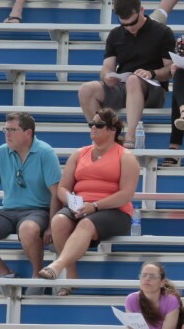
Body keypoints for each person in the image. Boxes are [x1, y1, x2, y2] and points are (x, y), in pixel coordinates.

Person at [44, 108, 142, 289]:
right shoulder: (79, 153)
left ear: (113, 130)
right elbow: (63, 187)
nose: (93, 128)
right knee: (58, 221)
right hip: (80, 206)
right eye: (92, 124)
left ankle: (58, 265)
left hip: (114, 210)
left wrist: (95, 206)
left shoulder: (126, 157)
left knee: (86, 224)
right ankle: (72, 275)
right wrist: (70, 201)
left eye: (99, 125)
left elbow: (125, 195)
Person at [0, 112, 62, 279]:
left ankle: (37, 276)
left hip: (38, 210)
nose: (7, 134)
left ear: (28, 133)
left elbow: (56, 193)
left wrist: (52, 226)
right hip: (8, 211)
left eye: (12, 130)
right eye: (5, 129)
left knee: (28, 230)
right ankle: (6, 274)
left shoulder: (45, 152)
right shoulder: (1, 153)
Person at [79, 0, 177, 150]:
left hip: (153, 88)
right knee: (86, 90)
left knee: (133, 80)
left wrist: (151, 73)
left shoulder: (162, 32)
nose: (130, 28)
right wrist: (108, 77)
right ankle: (101, 135)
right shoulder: (115, 34)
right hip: (124, 86)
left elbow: (170, 70)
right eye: (125, 25)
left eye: (133, 22)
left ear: (142, 11)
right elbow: (107, 67)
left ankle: (130, 136)